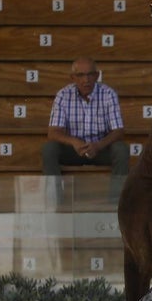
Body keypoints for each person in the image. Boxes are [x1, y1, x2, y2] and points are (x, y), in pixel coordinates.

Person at [42, 57, 130, 198]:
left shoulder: (108, 94)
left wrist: (98, 146)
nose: (86, 80)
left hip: (100, 149)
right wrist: (74, 142)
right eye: (80, 75)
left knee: (121, 149)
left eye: (90, 74)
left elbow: (118, 132)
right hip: (74, 150)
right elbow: (53, 132)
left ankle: (116, 203)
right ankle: (54, 201)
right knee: (49, 149)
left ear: (96, 75)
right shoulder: (63, 95)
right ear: (73, 78)